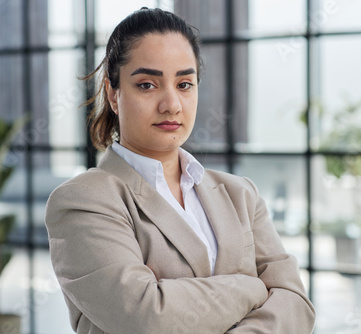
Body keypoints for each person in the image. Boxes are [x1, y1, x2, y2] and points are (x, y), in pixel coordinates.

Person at [45, 7, 315, 334]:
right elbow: (146, 316)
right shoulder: (82, 201)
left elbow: (295, 304)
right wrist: (253, 287)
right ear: (113, 95)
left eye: (184, 84)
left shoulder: (241, 194)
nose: (171, 104)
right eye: (147, 85)